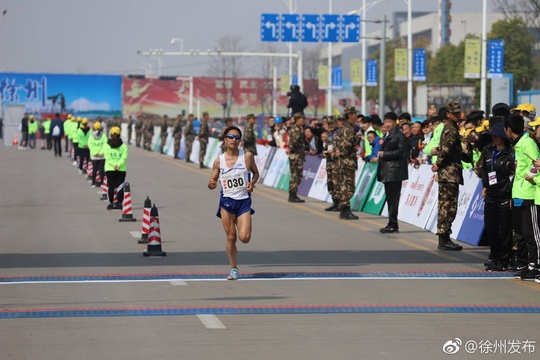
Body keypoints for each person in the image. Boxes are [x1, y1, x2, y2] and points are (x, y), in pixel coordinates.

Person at [207, 126, 259, 280]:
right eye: (230, 136)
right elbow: (212, 181)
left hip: (243, 202)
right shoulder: (219, 161)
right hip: (227, 203)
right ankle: (233, 269)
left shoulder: (247, 156)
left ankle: (244, 224)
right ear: (225, 140)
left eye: (237, 137)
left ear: (240, 140)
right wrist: (211, 184)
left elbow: (256, 173)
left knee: (244, 238)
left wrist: (252, 183)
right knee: (231, 237)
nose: (233, 140)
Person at [506, 114, 540, 280]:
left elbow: (537, 163)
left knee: (532, 234)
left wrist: (531, 176)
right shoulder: (518, 145)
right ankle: (527, 263)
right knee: (523, 234)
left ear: (508, 130)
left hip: (530, 194)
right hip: (520, 193)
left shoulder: (527, 144)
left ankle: (535, 264)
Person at [477, 122, 514, 271]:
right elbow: (484, 170)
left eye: (497, 136)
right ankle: (495, 256)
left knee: (504, 229)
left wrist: (511, 195)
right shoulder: (488, 151)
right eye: (492, 136)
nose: (494, 138)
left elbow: (513, 175)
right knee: (491, 227)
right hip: (491, 195)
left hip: (505, 194)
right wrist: (485, 186)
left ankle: (505, 259)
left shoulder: (511, 152)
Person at [431, 102, 464, 251]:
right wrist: (438, 163)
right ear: (448, 114)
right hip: (449, 172)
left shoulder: (450, 127)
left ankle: (444, 237)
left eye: (458, 112)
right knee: (448, 206)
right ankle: (444, 238)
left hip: (448, 172)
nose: (457, 115)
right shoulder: (451, 129)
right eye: (454, 113)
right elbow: (446, 149)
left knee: (446, 205)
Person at [378, 112, 409, 233]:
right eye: (386, 122)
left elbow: (401, 153)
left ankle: (393, 224)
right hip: (387, 170)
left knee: (393, 199)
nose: (387, 124)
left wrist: (385, 154)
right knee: (390, 198)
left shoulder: (399, 135)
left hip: (394, 171)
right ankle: (391, 222)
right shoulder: (387, 135)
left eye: (390, 122)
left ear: (395, 123)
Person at [332, 107, 359, 220]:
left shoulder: (342, 128)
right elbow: (347, 144)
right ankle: (345, 210)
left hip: (342, 162)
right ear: (350, 115)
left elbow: (336, 141)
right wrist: (342, 152)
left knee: (343, 185)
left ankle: (344, 209)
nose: (356, 116)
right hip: (347, 161)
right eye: (354, 114)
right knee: (347, 186)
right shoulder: (349, 128)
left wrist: (338, 152)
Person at [103, 126, 128, 210]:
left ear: (110, 134)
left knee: (111, 186)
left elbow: (107, 157)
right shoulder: (123, 146)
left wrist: (113, 165)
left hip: (110, 168)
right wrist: (118, 165)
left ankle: (110, 203)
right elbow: (124, 157)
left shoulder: (107, 145)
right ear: (119, 134)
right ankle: (119, 203)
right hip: (121, 169)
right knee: (120, 186)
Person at [287, 113, 306, 203]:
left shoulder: (299, 128)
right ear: (298, 119)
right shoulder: (296, 129)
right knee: (295, 175)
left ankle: (293, 194)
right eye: (302, 119)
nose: (303, 120)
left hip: (298, 155)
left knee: (297, 175)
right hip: (296, 156)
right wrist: (296, 149)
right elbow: (294, 142)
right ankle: (292, 194)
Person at [323, 115, 340, 211]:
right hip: (329, 162)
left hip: (336, 162)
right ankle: (334, 202)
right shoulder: (329, 135)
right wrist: (325, 151)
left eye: (332, 123)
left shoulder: (339, 133)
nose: (330, 125)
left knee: (337, 183)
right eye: (328, 123)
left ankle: (339, 203)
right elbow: (326, 146)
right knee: (330, 183)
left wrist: (333, 152)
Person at [88, 121, 107, 188]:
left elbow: (90, 145)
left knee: (94, 169)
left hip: (94, 156)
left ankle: (93, 183)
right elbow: (105, 145)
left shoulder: (91, 135)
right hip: (102, 156)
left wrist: (95, 153)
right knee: (102, 170)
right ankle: (102, 183)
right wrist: (101, 153)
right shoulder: (104, 135)